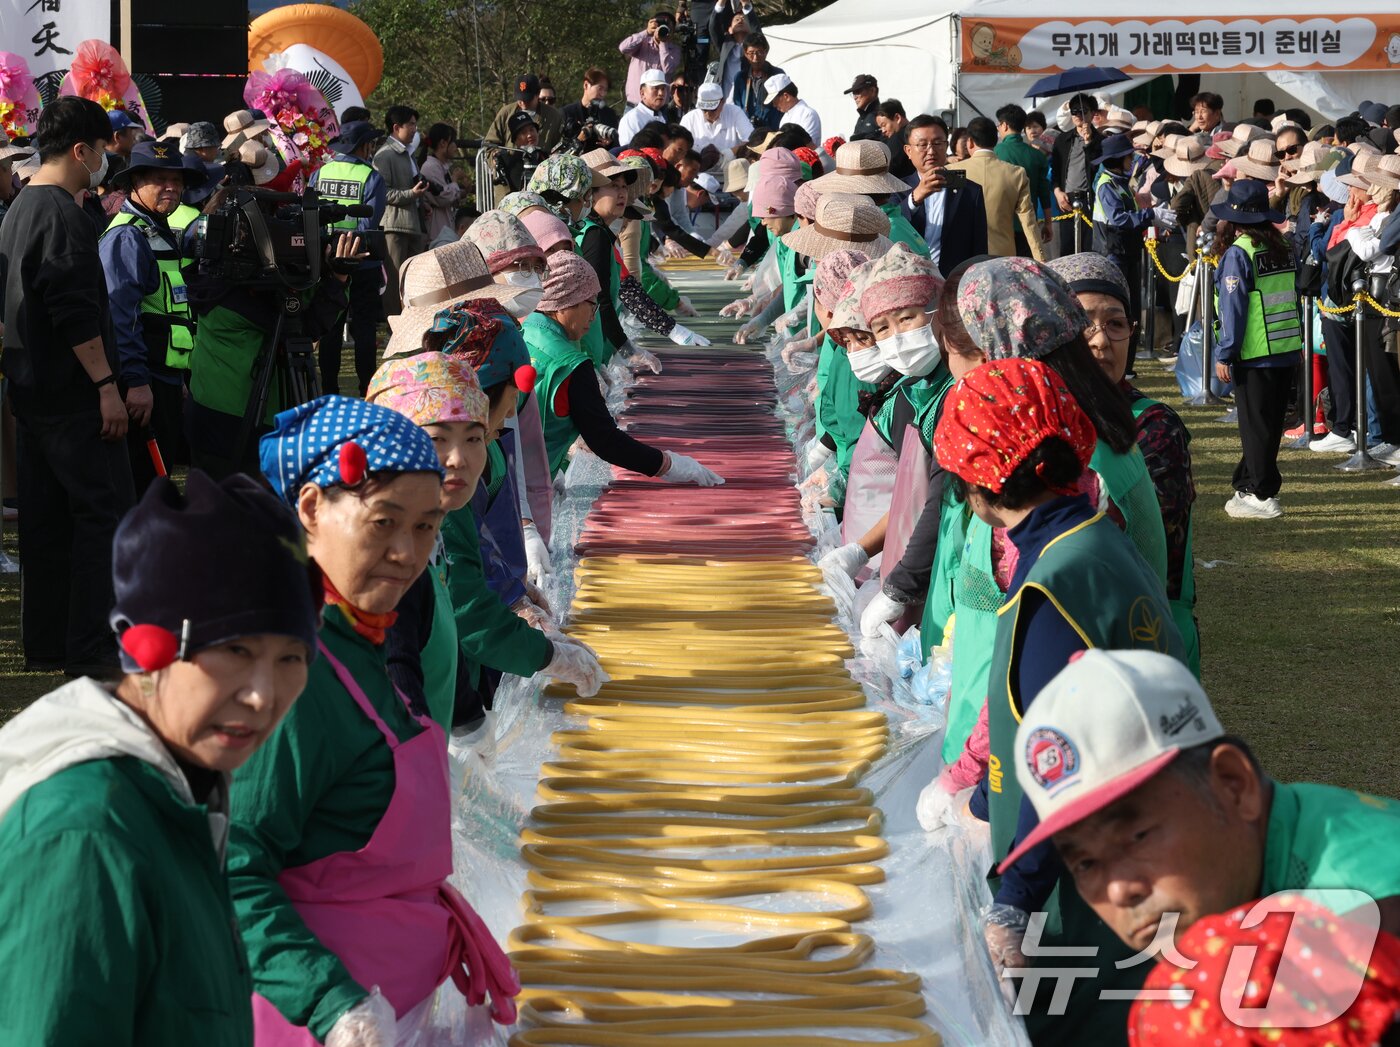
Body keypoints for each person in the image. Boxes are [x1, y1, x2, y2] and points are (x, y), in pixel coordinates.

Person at [232, 395, 521, 1045]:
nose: (406, 551)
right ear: (311, 508)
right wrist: (333, 1005)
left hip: (398, 1011)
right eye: (384, 520)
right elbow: (229, 867)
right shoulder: (295, 677)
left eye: (425, 527)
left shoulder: (369, 639)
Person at [0, 469, 320, 1045]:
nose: (262, 694)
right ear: (147, 647)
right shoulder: (86, 837)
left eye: (291, 658)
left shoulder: (185, 785)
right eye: (235, 649)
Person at [932, 356, 1184, 1047]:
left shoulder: (1048, 590)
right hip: (1155, 848)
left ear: (981, 484)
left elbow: (1056, 764)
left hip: (1082, 887)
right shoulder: (1104, 541)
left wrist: (1014, 901)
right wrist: (985, 799)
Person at [1004, 648, 1400, 976]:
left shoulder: (1372, 935)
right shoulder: (1246, 883)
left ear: (1233, 784)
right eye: (1085, 864)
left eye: (1137, 836)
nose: (1120, 891)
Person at [0, 95, 136, 677]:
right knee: (99, 515)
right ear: (82, 151)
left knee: (45, 520)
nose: (105, 161)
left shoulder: (19, 209)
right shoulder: (62, 215)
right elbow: (75, 312)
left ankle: (51, 641)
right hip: (72, 397)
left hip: (31, 390)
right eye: (103, 150)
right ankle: (91, 646)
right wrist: (107, 385)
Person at [1050, 252, 1200, 674]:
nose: (1100, 340)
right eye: (1083, 323)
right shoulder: (1040, 418)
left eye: (1115, 324)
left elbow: (1147, 551)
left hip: (1142, 634)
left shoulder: (1154, 426)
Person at [524, 250, 723, 486]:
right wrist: (668, 464)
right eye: (591, 304)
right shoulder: (571, 365)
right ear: (566, 301)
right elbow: (605, 441)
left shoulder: (522, 332)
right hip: (530, 483)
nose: (593, 316)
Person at [369, 351, 491, 733]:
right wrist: (430, 769)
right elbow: (396, 680)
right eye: (437, 438)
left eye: (474, 437)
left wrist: (471, 723)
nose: (459, 459)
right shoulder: (384, 559)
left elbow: (436, 639)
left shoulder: (425, 535)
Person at [98, 139, 206, 495]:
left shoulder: (156, 229)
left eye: (177, 180)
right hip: (145, 383)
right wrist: (137, 382)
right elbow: (119, 317)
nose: (171, 188)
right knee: (144, 484)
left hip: (166, 377)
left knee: (158, 477)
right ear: (134, 185)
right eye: (160, 180)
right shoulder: (128, 235)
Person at [1211, 180, 1304, 520]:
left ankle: (1263, 494)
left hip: (1254, 352)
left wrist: (1225, 353)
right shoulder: (1282, 245)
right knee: (1267, 426)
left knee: (1255, 426)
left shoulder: (1240, 253)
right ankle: (1246, 482)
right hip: (1285, 347)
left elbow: (1234, 310)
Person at [311, 120, 387, 396]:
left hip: (328, 260)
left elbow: (312, 217)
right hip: (362, 261)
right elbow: (371, 222)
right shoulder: (372, 177)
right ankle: (367, 389)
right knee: (364, 328)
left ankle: (329, 390)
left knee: (330, 326)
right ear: (364, 146)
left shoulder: (320, 173)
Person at [901, 114, 988, 275]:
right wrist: (915, 198)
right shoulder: (898, 189)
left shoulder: (970, 191)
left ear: (946, 145)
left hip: (954, 281)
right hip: (909, 279)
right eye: (922, 145)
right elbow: (890, 227)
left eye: (937, 143)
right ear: (908, 151)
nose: (931, 151)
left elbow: (979, 247)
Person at [949, 116, 1046, 261]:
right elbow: (1029, 222)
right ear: (995, 140)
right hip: (1003, 254)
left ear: (970, 142)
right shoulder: (1016, 173)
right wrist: (1041, 259)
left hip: (964, 255)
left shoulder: (956, 172)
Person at [373, 105, 428, 314]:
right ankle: (393, 326)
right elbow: (383, 193)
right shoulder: (384, 155)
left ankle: (410, 323)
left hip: (412, 224)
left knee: (412, 280)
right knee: (394, 279)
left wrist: (423, 200)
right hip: (395, 226)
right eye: (411, 124)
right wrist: (411, 195)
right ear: (397, 127)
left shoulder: (407, 153)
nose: (415, 129)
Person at [994, 103, 1052, 248]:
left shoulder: (994, 153)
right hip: (1028, 226)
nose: (998, 128)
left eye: (999, 125)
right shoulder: (1037, 156)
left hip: (999, 226)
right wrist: (1048, 223)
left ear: (1005, 125)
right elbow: (1044, 193)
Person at [1051, 94, 1102, 256]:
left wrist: (1089, 143)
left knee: (1088, 249)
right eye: (1075, 112)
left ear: (1093, 113)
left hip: (1090, 199)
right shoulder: (1062, 139)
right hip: (1067, 199)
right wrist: (1057, 192)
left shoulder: (1101, 140)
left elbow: (1096, 169)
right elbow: (1055, 171)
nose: (1079, 115)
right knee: (1067, 248)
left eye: (1083, 111)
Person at [483, 73, 565, 153]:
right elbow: (490, 144)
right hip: (512, 164)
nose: (523, 102)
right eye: (520, 99)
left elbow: (561, 145)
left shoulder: (553, 116)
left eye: (527, 99)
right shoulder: (506, 113)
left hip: (543, 164)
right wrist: (496, 158)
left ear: (537, 94)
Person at [619, 11, 682, 105]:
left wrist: (663, 43)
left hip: (659, 108)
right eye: (660, 25)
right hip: (634, 104)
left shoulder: (675, 50)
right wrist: (646, 32)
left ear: (673, 30)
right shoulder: (641, 42)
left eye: (668, 26)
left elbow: (668, 69)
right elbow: (623, 48)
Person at [681, 82, 753, 161]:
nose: (708, 114)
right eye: (704, 109)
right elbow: (680, 146)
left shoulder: (735, 112)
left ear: (723, 102)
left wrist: (732, 151)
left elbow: (752, 141)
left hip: (730, 167)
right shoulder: (689, 118)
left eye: (713, 109)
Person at [419, 122, 463, 243]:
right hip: (435, 231)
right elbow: (442, 197)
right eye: (453, 142)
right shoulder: (430, 167)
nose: (455, 147)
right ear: (443, 143)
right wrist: (454, 181)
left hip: (443, 229)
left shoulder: (441, 166)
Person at [561, 67, 621, 152]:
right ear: (586, 85)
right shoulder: (567, 113)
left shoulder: (610, 115)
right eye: (600, 88)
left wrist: (610, 143)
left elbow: (617, 145)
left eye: (605, 90)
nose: (602, 94)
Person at [730, 33, 781, 130]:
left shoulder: (777, 75)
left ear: (766, 52)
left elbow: (781, 107)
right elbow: (738, 106)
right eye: (751, 53)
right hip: (748, 131)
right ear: (745, 53)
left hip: (772, 131)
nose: (755, 58)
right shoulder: (740, 77)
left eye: (759, 52)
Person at [618, 69, 671, 147]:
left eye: (663, 89)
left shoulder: (665, 117)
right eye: (656, 88)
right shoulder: (632, 119)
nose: (661, 93)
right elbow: (629, 152)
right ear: (642, 92)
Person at [763, 73, 819, 145]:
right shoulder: (785, 117)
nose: (774, 105)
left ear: (786, 96)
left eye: (775, 101)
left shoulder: (808, 114)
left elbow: (808, 145)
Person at [875, 99, 914, 179]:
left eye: (884, 125)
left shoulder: (898, 138)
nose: (883, 130)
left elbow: (889, 168)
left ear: (897, 118)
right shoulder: (915, 133)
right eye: (880, 127)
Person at [845, 73, 881, 142]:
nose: (855, 97)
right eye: (853, 93)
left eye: (858, 91)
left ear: (872, 91)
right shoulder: (862, 117)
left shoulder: (882, 115)